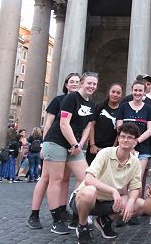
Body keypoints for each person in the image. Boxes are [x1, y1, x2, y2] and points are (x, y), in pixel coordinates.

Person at [42, 71, 98, 234]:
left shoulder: (91, 103)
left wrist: (80, 144)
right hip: (56, 142)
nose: (91, 86)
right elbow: (64, 123)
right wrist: (75, 144)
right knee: (57, 180)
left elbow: (88, 126)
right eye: (89, 83)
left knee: (86, 178)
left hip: (75, 145)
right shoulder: (71, 98)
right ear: (81, 83)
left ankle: (76, 216)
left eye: (94, 84)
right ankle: (56, 220)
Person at [71, 122, 146, 244]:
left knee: (139, 204)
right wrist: (113, 191)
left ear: (135, 141)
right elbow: (88, 179)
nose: (125, 140)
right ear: (119, 137)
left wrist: (131, 202)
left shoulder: (135, 163)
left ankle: (105, 221)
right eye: (122, 136)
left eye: (129, 137)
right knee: (90, 191)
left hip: (108, 203)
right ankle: (82, 226)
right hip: (84, 200)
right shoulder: (106, 153)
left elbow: (135, 188)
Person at [27, 72, 80, 230]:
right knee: (45, 179)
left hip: (69, 146)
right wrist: (44, 144)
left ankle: (63, 210)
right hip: (54, 142)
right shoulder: (58, 100)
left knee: (64, 179)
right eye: (72, 81)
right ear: (66, 84)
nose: (75, 84)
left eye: (77, 81)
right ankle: (34, 214)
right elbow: (48, 123)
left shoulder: (81, 101)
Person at [116, 79, 151, 198]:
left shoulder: (148, 108)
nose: (138, 93)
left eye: (140, 91)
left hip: (143, 149)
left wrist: (136, 141)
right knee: (123, 178)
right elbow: (119, 127)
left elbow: (150, 129)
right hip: (125, 147)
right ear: (132, 91)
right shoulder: (123, 107)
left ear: (144, 92)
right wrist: (128, 143)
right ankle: (122, 206)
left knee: (137, 177)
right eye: (135, 90)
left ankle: (135, 207)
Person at [87, 83, 123, 165]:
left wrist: (114, 148)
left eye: (118, 93)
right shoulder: (99, 107)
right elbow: (91, 125)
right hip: (95, 148)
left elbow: (120, 131)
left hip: (110, 150)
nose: (115, 94)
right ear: (109, 92)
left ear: (121, 95)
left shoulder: (122, 110)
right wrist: (92, 145)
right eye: (113, 92)